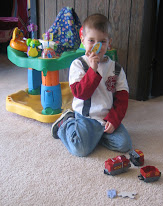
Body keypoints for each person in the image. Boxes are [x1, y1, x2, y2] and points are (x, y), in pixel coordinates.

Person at [51, 13, 132, 157]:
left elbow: (122, 99)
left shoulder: (116, 68)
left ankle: (95, 137)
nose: (97, 46)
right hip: (86, 117)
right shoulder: (78, 65)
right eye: (91, 41)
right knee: (80, 149)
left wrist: (114, 120)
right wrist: (92, 70)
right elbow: (80, 93)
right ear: (83, 40)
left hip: (107, 118)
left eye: (102, 41)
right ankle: (66, 123)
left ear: (109, 42)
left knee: (124, 144)